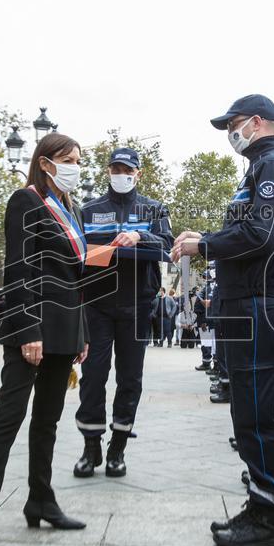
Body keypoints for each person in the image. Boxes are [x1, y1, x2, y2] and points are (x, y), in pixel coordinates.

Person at [172, 94, 274, 546]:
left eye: (234, 124)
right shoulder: (258, 168)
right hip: (238, 301)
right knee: (245, 408)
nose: (231, 133)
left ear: (257, 122)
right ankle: (262, 502)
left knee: (257, 412)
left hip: (253, 302)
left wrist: (205, 246)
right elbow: (247, 231)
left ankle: (269, 515)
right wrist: (206, 237)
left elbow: (261, 235)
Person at [0, 132, 90, 546]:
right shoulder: (25, 201)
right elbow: (18, 271)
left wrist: (82, 334)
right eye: (68, 160)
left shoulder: (73, 209)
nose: (75, 167)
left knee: (47, 421)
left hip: (66, 330)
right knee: (8, 419)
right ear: (45, 162)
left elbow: (77, 278)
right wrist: (29, 330)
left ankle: (41, 501)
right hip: (31, 329)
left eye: (79, 161)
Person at [73, 146, 173, 478]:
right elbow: (78, 254)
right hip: (97, 306)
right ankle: (91, 447)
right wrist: (108, 251)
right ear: (108, 171)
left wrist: (139, 236)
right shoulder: (89, 209)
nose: (121, 175)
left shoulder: (154, 208)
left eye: (128, 170)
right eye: (116, 169)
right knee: (93, 377)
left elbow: (167, 247)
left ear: (138, 173)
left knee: (130, 379)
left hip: (138, 305)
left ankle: (118, 448)